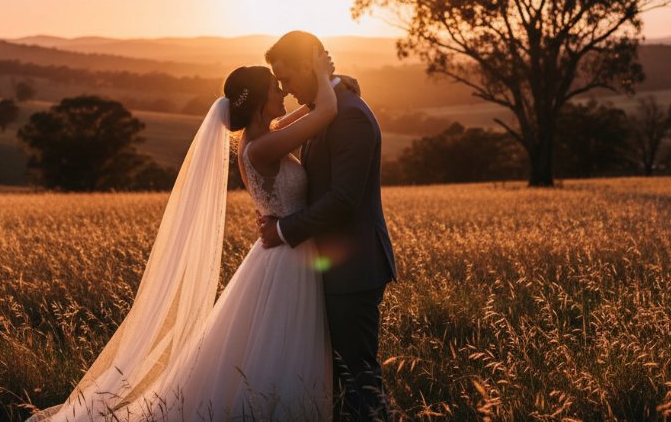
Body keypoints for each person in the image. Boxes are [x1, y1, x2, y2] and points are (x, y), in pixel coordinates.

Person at [27, 48, 341, 422]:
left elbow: (297, 119)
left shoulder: (259, 139)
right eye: (276, 88)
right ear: (259, 102)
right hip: (286, 256)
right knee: (282, 340)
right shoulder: (262, 148)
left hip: (282, 250)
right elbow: (327, 113)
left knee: (270, 343)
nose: (283, 93)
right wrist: (325, 77)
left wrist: (328, 87)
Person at [258, 31, 397, 422]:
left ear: (310, 65)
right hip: (331, 267)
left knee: (359, 379)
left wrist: (283, 229)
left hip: (354, 269)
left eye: (287, 78)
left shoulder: (349, 114)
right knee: (339, 380)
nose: (284, 89)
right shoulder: (326, 107)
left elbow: (343, 200)